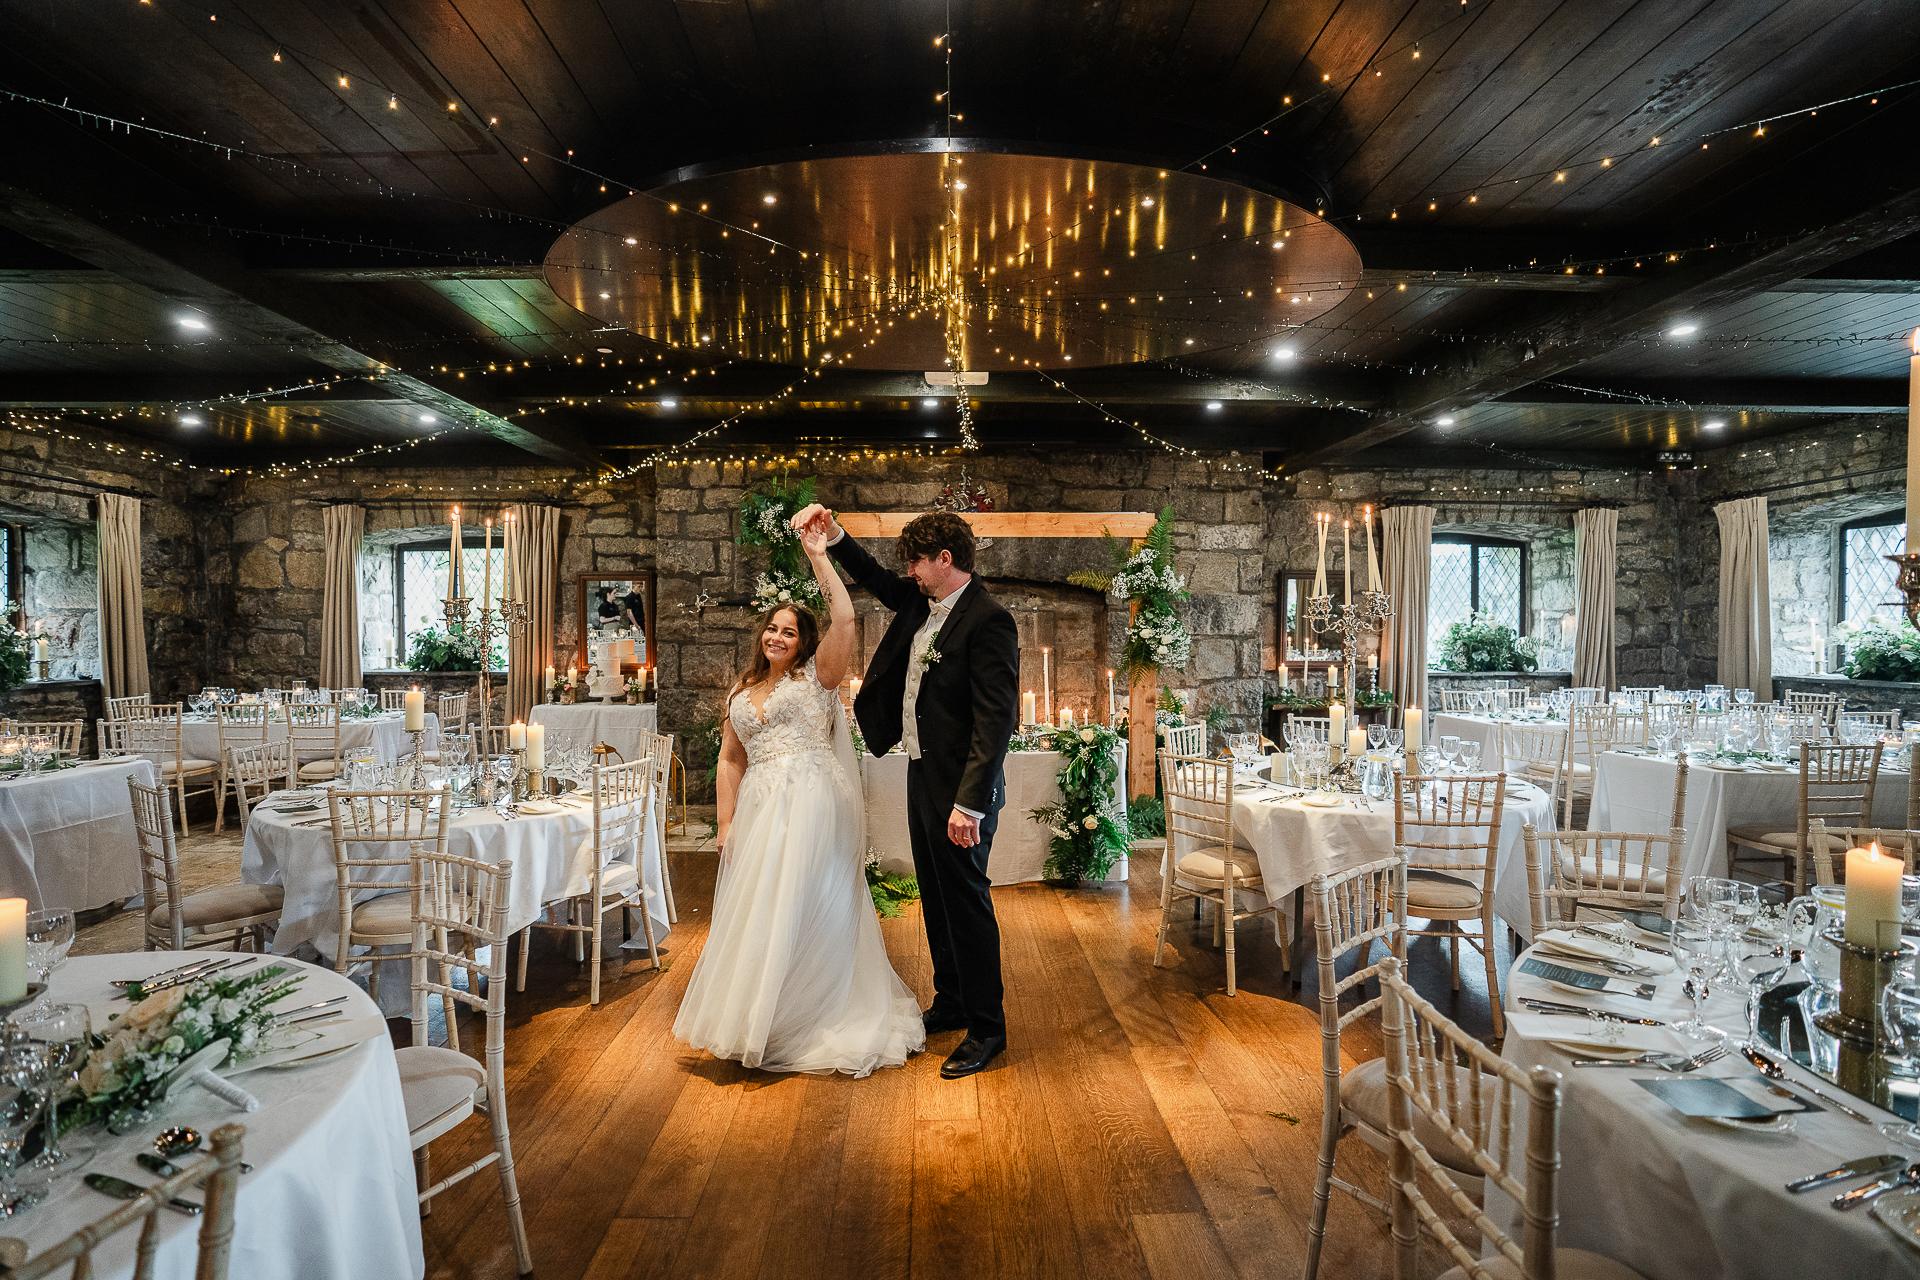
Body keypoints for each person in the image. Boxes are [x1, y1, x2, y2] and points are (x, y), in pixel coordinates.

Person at [671, 520, 923, 1076]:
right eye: (772, 630)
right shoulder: (742, 688)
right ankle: (758, 1016)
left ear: (803, 642)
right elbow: (729, 760)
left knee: (805, 902)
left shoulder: (818, 679)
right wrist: (726, 823)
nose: (777, 638)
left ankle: (807, 1015)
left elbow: (845, 618)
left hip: (810, 798)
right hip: (760, 806)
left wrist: (819, 555)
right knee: (760, 906)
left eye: (789, 632)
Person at [794, 502, 1019, 1080]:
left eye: (918, 562)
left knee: (966, 900)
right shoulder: (923, 602)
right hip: (924, 772)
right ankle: (951, 1000)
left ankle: (987, 1028)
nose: (911, 573)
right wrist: (837, 538)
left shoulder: (989, 619)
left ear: (946, 560)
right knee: (938, 894)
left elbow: (996, 721)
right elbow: (876, 579)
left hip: (962, 789)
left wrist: (969, 803)